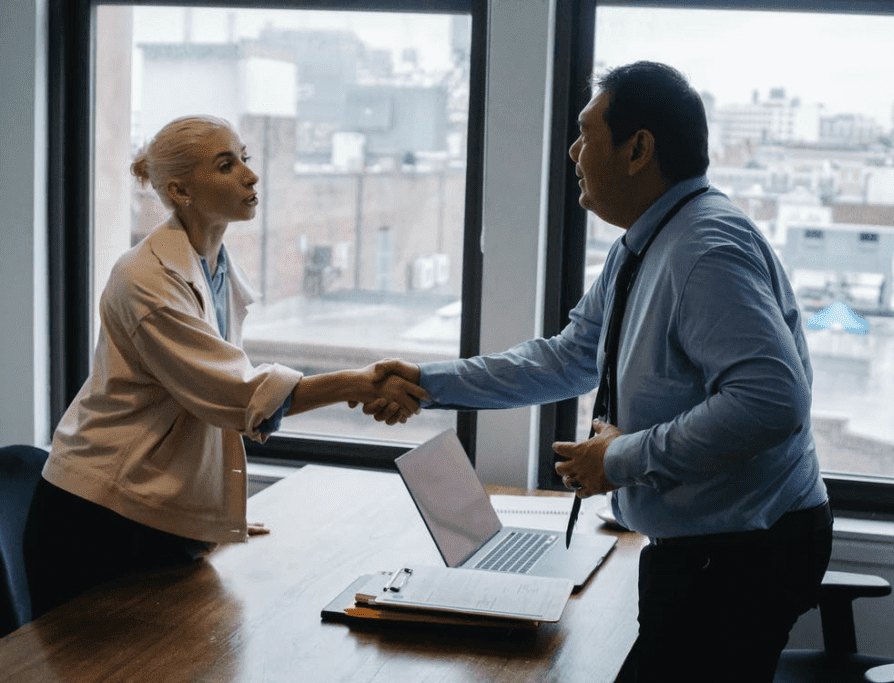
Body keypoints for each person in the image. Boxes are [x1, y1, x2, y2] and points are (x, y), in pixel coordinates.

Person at [368, 62, 832, 681]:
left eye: (587, 133)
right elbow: (569, 358)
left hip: (742, 553)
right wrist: (429, 382)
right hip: (706, 549)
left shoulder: (707, 249)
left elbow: (772, 401)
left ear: (638, 149)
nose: (572, 151)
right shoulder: (646, 242)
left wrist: (619, 459)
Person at [24, 115, 427, 618]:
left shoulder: (212, 265)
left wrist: (215, 508)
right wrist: (358, 382)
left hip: (154, 506)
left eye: (245, 158)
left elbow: (211, 398)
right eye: (226, 165)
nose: (250, 175)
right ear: (180, 190)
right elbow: (234, 394)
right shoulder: (145, 280)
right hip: (100, 515)